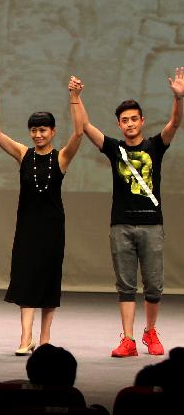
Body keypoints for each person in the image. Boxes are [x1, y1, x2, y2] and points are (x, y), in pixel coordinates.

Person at [82, 67, 183, 357]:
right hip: (121, 225)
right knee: (125, 285)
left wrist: (179, 98)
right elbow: (87, 127)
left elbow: (175, 123)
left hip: (151, 225)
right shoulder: (114, 149)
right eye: (124, 120)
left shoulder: (155, 146)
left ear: (142, 121)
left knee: (153, 284)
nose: (129, 124)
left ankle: (150, 332)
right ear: (119, 124)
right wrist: (76, 98)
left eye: (134, 119)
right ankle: (128, 339)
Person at [0, 77, 85, 355]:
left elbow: (79, 133)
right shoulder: (23, 154)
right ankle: (25, 337)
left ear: (52, 131)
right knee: (26, 278)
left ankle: (45, 338)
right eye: (33, 130)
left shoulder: (61, 157)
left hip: (52, 228)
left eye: (42, 130)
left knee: (49, 279)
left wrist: (75, 97)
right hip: (27, 227)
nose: (38, 135)